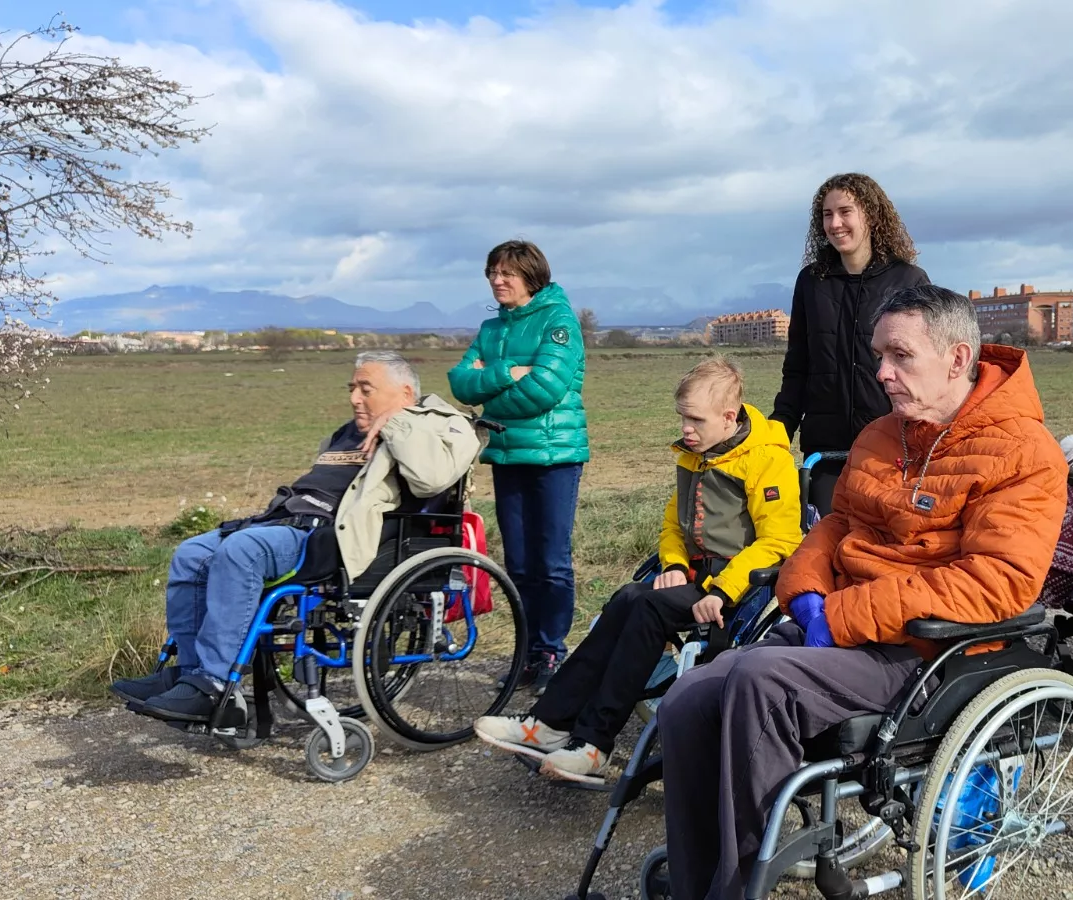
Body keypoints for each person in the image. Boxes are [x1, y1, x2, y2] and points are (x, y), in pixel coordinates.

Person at [657, 285, 1069, 900]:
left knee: (759, 682)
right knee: (688, 695)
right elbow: (835, 526)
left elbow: (997, 581)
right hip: (841, 633)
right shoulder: (884, 434)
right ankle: (698, 884)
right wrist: (804, 594)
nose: (881, 372)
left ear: (957, 359)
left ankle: (739, 888)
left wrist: (840, 616)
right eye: (879, 355)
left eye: (900, 356)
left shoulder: (1023, 453)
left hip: (931, 652)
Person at [470, 357, 802, 780]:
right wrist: (676, 565)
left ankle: (594, 743)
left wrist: (722, 590)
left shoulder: (766, 461)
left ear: (728, 418)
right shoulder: (696, 454)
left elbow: (780, 541)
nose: (685, 428)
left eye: (695, 420)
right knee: (629, 596)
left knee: (646, 609)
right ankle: (549, 723)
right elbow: (673, 523)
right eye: (682, 417)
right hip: (694, 579)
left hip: (738, 589)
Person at [111, 352, 480, 723]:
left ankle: (214, 683)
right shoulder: (346, 432)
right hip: (288, 521)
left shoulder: (440, 426)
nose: (354, 398)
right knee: (192, 553)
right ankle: (190, 675)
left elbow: (432, 478)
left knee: (243, 552)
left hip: (330, 538)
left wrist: (398, 423)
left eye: (365, 389)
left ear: (404, 393)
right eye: (352, 388)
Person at [448, 240, 588, 696]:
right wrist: (509, 371)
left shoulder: (559, 321)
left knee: (551, 561)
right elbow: (461, 383)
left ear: (531, 276)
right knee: (519, 563)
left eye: (507, 272)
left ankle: (551, 649)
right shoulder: (491, 329)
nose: (497, 280)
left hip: (554, 456)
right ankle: (527, 650)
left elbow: (546, 388)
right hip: (507, 455)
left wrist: (493, 390)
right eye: (492, 272)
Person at [770, 173, 929, 512]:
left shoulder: (908, 280)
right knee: (826, 546)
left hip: (893, 446)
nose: (835, 223)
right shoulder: (812, 282)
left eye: (845, 211)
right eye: (827, 215)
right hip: (825, 451)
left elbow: (926, 367)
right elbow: (798, 364)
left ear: (870, 215)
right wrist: (778, 428)